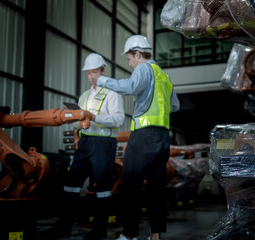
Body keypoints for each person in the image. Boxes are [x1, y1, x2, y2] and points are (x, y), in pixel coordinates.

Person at [90, 35, 180, 240]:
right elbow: (175, 106)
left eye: (129, 59)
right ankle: (155, 236)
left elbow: (130, 87)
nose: (130, 64)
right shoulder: (164, 76)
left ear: (138, 54)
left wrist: (101, 80)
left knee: (131, 184)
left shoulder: (143, 68)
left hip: (143, 137)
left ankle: (129, 236)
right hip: (163, 137)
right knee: (156, 188)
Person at [41, 53, 125, 240]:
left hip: (104, 144)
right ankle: (64, 226)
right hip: (85, 143)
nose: (91, 76)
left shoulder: (113, 94)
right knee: (71, 183)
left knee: (102, 187)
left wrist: (94, 117)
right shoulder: (85, 96)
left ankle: (99, 230)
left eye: (95, 72)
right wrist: (73, 117)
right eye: (89, 73)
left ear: (103, 71)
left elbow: (118, 119)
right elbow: (80, 121)